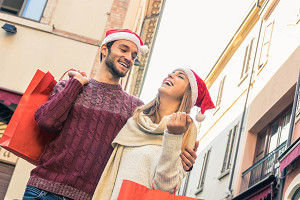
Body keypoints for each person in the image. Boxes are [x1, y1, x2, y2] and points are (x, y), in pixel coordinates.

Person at [22, 29, 198, 200]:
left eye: (134, 55)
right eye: (123, 50)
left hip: (89, 196)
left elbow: (152, 139)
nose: (129, 58)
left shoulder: (135, 108)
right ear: (105, 49)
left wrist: (182, 160)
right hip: (43, 190)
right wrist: (75, 85)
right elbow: (46, 122)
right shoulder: (71, 86)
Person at [92, 67, 215, 200]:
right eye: (171, 72)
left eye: (180, 76)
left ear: (188, 93)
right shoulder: (135, 119)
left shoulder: (186, 130)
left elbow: (164, 189)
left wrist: (173, 137)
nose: (170, 74)